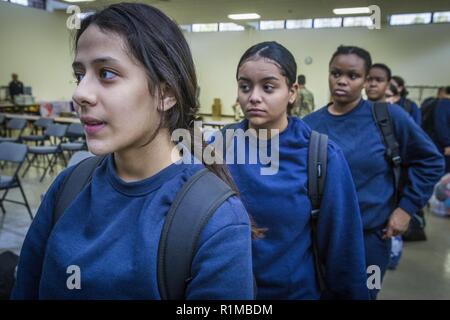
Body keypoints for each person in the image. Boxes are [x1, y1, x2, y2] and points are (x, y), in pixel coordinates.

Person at [11, 3, 254, 300]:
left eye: (107, 73)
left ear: (166, 93)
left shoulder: (216, 219)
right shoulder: (68, 187)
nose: (80, 93)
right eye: (79, 75)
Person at [220, 41, 369, 300]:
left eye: (268, 87)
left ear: (292, 92)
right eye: (245, 87)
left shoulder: (321, 156)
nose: (254, 97)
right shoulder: (218, 148)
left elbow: (343, 249)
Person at [303, 45, 445, 299]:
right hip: (319, 238)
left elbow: (431, 160)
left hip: (370, 239)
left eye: (352, 75)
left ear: (366, 80)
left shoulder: (388, 118)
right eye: (336, 73)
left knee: (364, 295)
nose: (342, 81)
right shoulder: (309, 125)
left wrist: (406, 209)